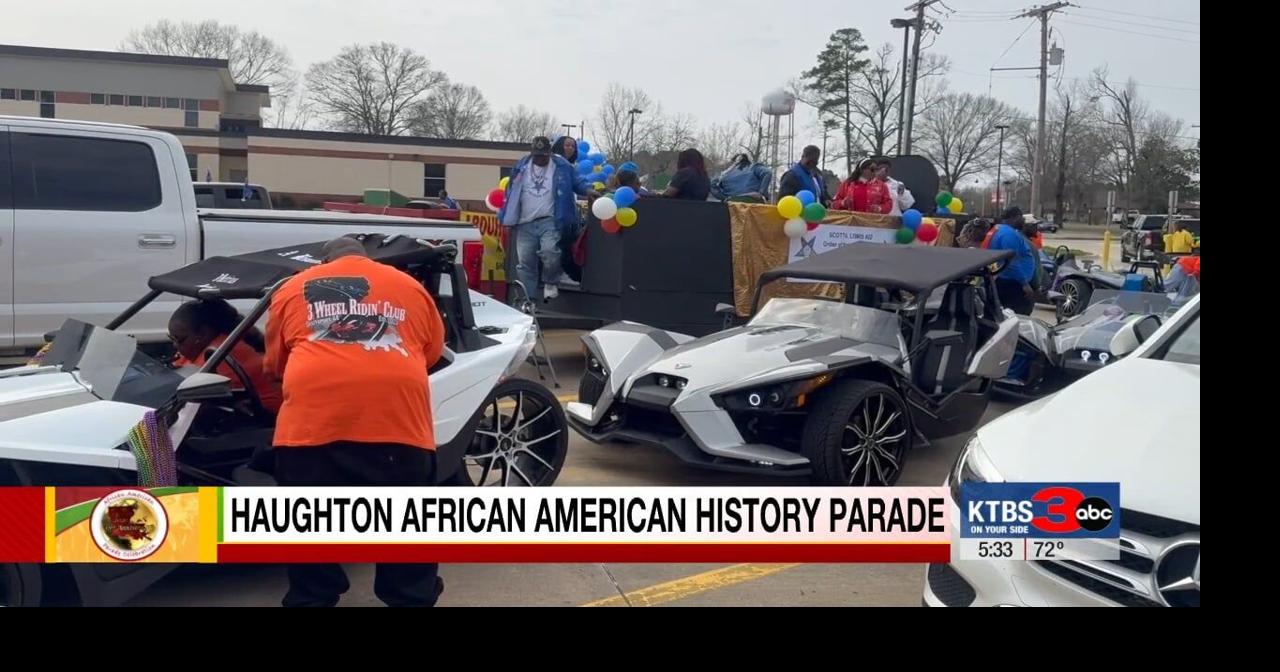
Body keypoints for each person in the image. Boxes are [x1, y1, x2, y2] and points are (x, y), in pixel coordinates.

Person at [264, 236, 447, 608]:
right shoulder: (410, 286)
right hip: (397, 426)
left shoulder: (294, 287)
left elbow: (275, 366)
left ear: (324, 262)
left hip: (312, 429)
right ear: (368, 259)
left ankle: (313, 596)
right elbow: (430, 353)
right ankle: (410, 596)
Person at [499, 136, 596, 302]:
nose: (540, 159)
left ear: (549, 153)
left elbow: (577, 181)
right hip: (524, 222)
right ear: (531, 154)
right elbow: (510, 192)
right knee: (526, 262)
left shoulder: (561, 165)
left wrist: (588, 190)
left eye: (543, 156)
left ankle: (550, 281)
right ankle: (529, 301)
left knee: (551, 253)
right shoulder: (521, 165)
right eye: (537, 156)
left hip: (550, 220)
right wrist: (507, 215)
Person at [169, 299, 282, 414]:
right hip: (237, 412)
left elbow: (187, 396)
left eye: (179, 340)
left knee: (158, 425)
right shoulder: (202, 347)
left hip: (263, 419)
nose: (175, 345)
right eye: (171, 338)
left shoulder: (222, 355)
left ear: (203, 333)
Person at [986, 208, 1037, 315]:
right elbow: (1011, 262)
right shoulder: (1008, 234)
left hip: (1005, 281)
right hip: (1013, 285)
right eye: (1021, 217)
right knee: (1019, 317)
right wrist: (1024, 283)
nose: (1023, 220)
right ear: (1014, 218)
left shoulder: (1000, 230)